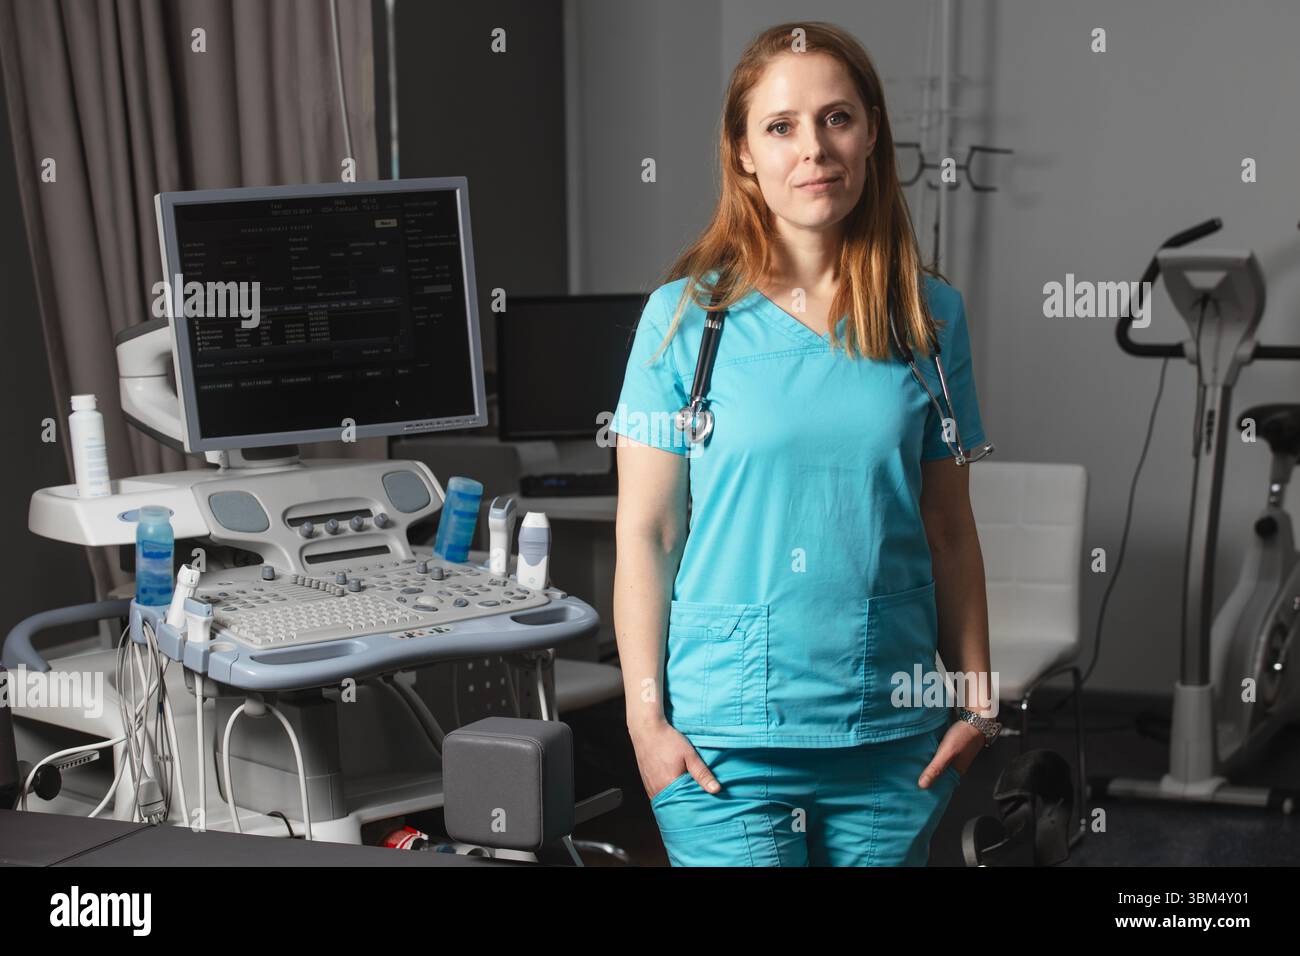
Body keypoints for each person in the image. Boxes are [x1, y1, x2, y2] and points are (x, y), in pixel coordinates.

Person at [608, 20, 999, 867]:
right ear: (743, 152)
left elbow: (950, 527)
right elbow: (648, 533)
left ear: (871, 134)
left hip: (894, 736)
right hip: (724, 748)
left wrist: (977, 705)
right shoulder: (683, 320)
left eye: (837, 118)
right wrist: (645, 722)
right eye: (781, 126)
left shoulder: (931, 320)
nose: (814, 148)